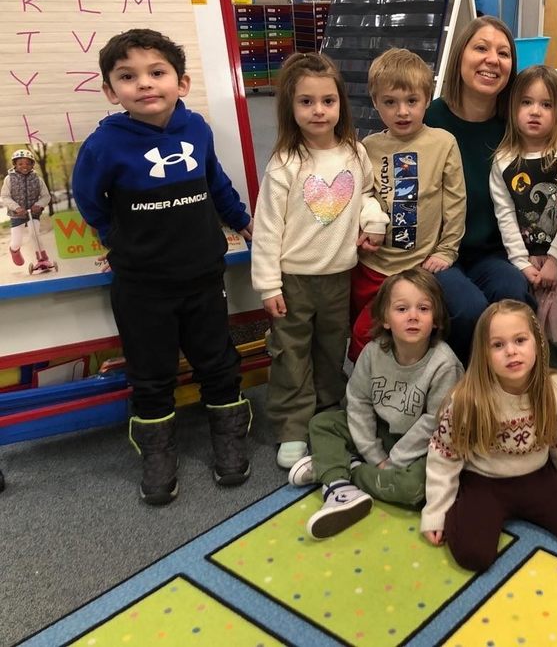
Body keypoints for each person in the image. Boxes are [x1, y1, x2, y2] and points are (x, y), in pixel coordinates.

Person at [72, 28, 254, 505]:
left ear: (182, 82)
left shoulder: (198, 130)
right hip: (141, 285)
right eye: (128, 77)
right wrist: (118, 239)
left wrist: (239, 220)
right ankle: (157, 453)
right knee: (151, 372)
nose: (145, 84)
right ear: (112, 92)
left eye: (157, 72)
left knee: (218, 361)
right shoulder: (104, 145)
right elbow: (90, 202)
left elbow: (216, 182)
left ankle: (229, 437)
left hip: (202, 275)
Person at [251, 52, 389, 470]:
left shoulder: (353, 153)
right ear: (290, 108)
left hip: (339, 276)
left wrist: (375, 220)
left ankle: (328, 417)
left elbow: (365, 195)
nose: (318, 111)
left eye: (327, 101)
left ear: (340, 105)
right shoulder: (285, 164)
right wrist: (268, 285)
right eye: (306, 102)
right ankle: (293, 427)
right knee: (291, 354)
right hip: (293, 279)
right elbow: (267, 228)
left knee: (333, 350)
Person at [421, 300, 557, 571]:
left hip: (538, 476)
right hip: (484, 481)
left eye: (520, 340)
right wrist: (437, 512)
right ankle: (467, 507)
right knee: (473, 555)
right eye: (498, 345)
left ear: (538, 343)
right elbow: (444, 456)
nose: (511, 351)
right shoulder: (467, 400)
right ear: (484, 354)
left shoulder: (555, 390)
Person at [288, 269, 462, 539]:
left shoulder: (444, 363)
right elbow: (358, 400)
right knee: (322, 423)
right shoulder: (373, 352)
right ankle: (337, 484)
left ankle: (342, 469)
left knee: (414, 490)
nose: (413, 316)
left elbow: (435, 423)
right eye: (402, 309)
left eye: (424, 308)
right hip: (379, 431)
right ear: (385, 318)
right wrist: (374, 453)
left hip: (421, 445)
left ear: (436, 319)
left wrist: (392, 460)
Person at [424, 16, 531, 364]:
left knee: (513, 296)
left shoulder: (516, 127)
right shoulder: (426, 120)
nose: (492, 60)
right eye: (481, 48)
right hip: (437, 253)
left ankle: (511, 395)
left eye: (503, 53)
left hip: (492, 253)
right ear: (460, 56)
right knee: (469, 310)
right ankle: (469, 397)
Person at [348, 48, 466, 362]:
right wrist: (364, 228)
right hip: (372, 265)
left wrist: (447, 249)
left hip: (415, 268)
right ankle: (366, 395)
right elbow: (363, 197)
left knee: (409, 337)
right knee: (362, 336)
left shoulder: (443, 143)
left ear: (427, 99)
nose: (402, 112)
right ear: (375, 102)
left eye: (412, 101)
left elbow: (455, 202)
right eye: (390, 102)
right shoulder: (369, 147)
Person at [489, 65, 557, 346]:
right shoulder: (503, 160)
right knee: (529, 331)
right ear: (513, 107)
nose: (535, 111)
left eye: (546, 104)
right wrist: (521, 262)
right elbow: (505, 214)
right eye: (526, 102)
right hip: (527, 260)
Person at [2, 148, 52, 270]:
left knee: (34, 234)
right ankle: (14, 250)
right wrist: (16, 207)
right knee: (17, 241)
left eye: (28, 163)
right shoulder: (9, 179)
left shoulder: (37, 179)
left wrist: (39, 205)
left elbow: (46, 196)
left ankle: (43, 259)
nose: (24, 166)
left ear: (32, 164)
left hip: (33, 213)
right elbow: (5, 196)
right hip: (16, 214)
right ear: (15, 164)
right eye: (20, 164)